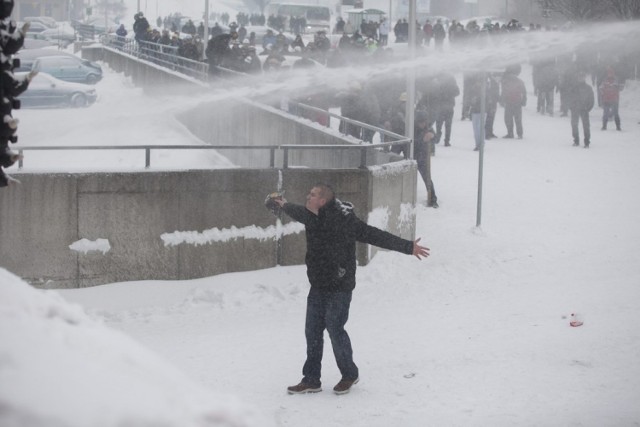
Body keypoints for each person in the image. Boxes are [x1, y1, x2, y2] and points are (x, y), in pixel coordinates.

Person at [267, 183, 430, 395]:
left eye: (313, 195)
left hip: (340, 286)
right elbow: (296, 210)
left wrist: (408, 247)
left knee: (335, 329)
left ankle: (349, 374)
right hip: (318, 285)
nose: (308, 196)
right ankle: (311, 379)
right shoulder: (310, 215)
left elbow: (374, 234)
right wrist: (283, 204)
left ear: (322, 201)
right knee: (312, 331)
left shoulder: (343, 221)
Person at [568, 70, 594, 148]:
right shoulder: (574, 88)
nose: (581, 78)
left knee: (586, 126)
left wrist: (588, 108)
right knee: (574, 125)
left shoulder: (588, 88)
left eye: (582, 77)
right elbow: (569, 98)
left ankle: (587, 142)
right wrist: (571, 106)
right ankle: (576, 140)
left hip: (584, 109)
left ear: (584, 78)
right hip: (575, 109)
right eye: (579, 77)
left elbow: (591, 99)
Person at [500, 64, 527, 139]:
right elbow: (524, 92)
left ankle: (510, 133)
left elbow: (504, 91)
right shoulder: (519, 81)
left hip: (509, 102)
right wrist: (524, 100)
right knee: (517, 119)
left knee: (508, 118)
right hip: (517, 102)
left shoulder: (506, 81)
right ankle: (519, 134)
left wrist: (502, 100)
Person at [598, 67, 622, 131]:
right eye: (609, 73)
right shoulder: (605, 80)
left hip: (614, 100)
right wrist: (603, 93)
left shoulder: (616, 80)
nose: (610, 74)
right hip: (607, 99)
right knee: (605, 113)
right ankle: (604, 126)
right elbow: (600, 88)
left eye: (611, 73)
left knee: (616, 113)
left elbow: (620, 88)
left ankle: (618, 126)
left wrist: (615, 88)